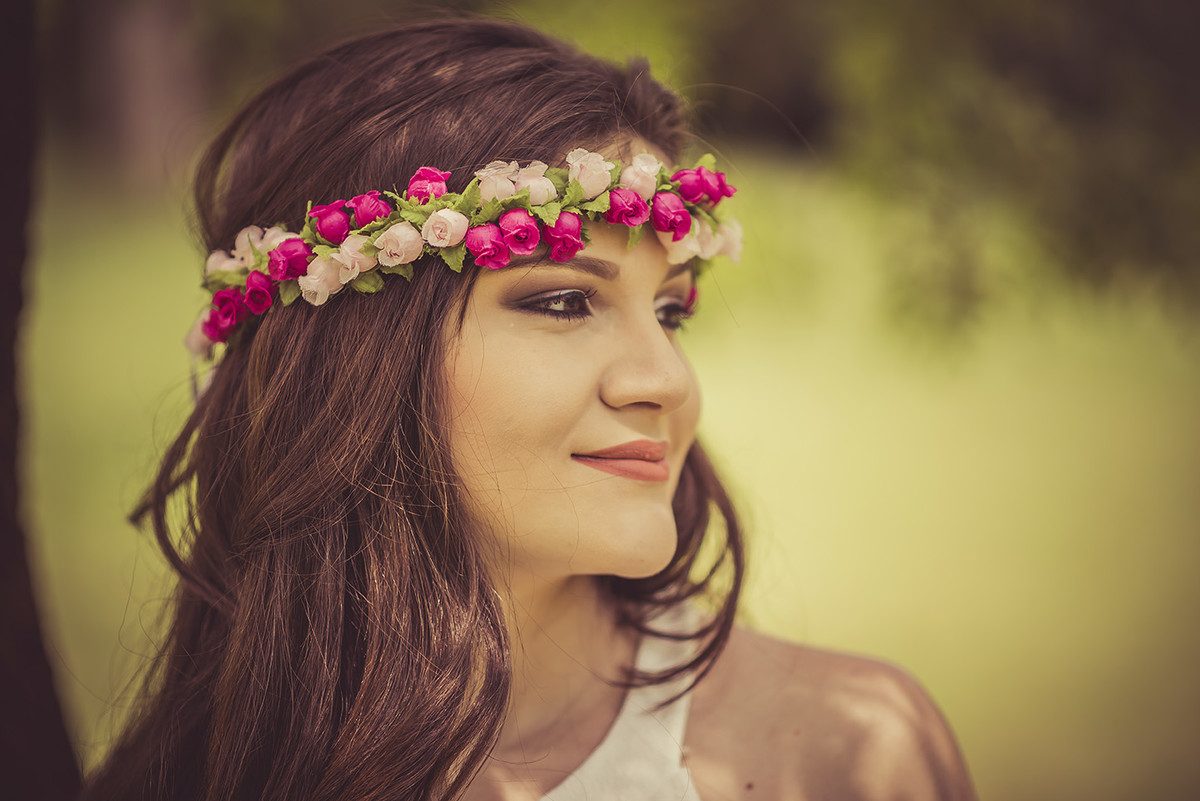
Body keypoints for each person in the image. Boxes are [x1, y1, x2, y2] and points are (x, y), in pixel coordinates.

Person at [83, 18, 977, 801]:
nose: (664, 379)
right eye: (562, 302)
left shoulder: (847, 757)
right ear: (349, 365)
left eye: (671, 311)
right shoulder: (192, 771)